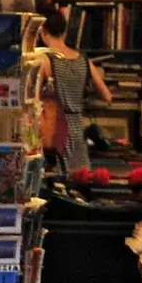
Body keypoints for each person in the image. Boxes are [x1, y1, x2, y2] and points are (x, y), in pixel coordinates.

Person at [33, 11, 111, 175]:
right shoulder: (83, 60)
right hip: (77, 130)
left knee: (56, 181)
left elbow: (33, 96)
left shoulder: (45, 59)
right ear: (63, 31)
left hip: (55, 130)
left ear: (42, 31)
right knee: (79, 180)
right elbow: (107, 96)